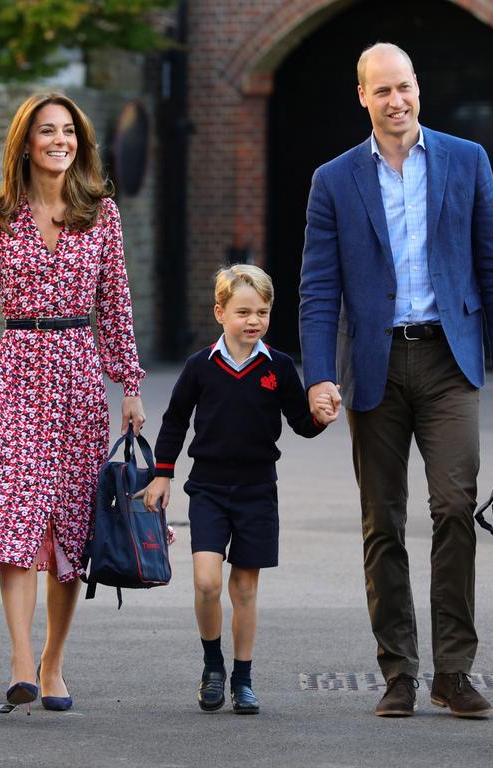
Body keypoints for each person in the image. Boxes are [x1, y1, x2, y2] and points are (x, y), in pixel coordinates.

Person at [299, 42, 493, 719]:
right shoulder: (334, 180)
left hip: (449, 360)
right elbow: (318, 290)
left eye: (405, 87)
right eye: (382, 91)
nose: (396, 101)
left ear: (418, 89)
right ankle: (397, 671)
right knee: (383, 523)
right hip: (373, 366)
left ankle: (453, 672)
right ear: (362, 96)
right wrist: (318, 376)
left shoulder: (467, 160)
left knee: (455, 508)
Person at [0, 92, 145, 713]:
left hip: (78, 379)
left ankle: (53, 662)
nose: (59, 141)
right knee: (14, 519)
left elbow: (116, 308)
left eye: (68, 131)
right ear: (25, 141)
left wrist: (129, 384)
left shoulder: (101, 215)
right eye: (46, 131)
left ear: (80, 141)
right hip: (18, 375)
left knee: (71, 530)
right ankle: (21, 658)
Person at [141, 264, 335, 715]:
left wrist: (320, 419)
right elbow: (174, 421)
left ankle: (243, 679)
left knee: (244, 589)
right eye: (243, 311)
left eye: (262, 312)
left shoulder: (280, 366)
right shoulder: (199, 367)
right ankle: (213, 667)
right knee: (208, 582)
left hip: (257, 491)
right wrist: (162, 473)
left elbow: (300, 424)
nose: (254, 320)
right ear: (220, 313)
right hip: (208, 488)